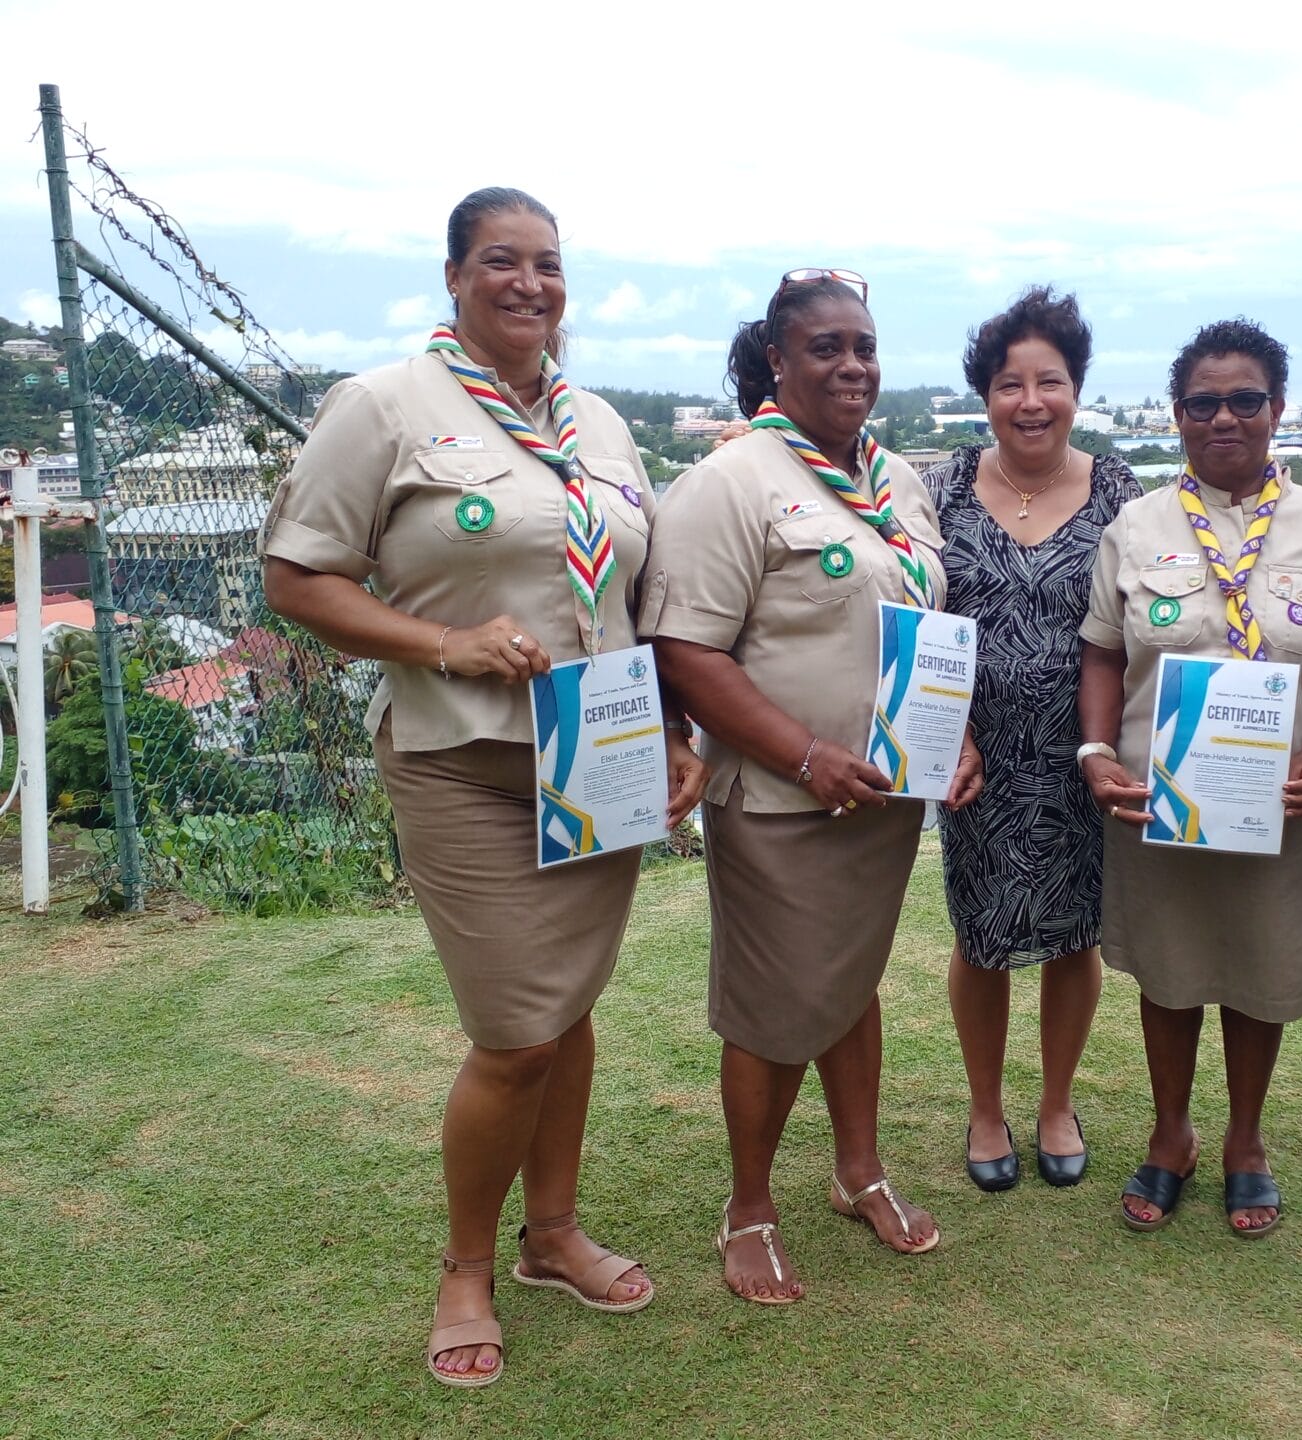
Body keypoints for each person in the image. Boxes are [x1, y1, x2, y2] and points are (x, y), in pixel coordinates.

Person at [261, 188, 706, 1385]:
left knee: (569, 1010)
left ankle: (552, 1234)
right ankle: (468, 1262)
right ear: (453, 276)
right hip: (462, 758)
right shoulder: (387, 407)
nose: (529, 283)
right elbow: (299, 578)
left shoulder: (600, 424)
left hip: (598, 755)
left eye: (549, 264)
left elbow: (628, 599)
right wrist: (442, 644)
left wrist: (672, 729)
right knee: (516, 1031)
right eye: (501, 261)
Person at [643, 269, 983, 1304]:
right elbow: (686, 649)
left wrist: (950, 737)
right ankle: (749, 1207)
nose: (852, 364)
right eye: (826, 347)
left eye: (865, 347)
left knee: (847, 982)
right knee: (772, 1008)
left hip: (878, 802)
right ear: (777, 361)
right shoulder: (734, 482)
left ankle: (857, 1171)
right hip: (784, 801)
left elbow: (921, 633)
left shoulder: (894, 481)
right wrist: (803, 754)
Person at [1077, 319, 1302, 1236]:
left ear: (1277, 410)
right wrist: (1095, 754)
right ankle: (1170, 1134)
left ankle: (1245, 1139)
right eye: (1203, 402)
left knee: (1264, 963)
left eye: (1244, 399)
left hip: (1287, 804)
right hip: (1157, 799)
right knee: (1169, 971)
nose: (1224, 418)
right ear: (1177, 416)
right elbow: (1099, 652)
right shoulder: (1135, 527)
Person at [923, 287, 1141, 1192]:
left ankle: (1056, 1099)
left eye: (1049, 380)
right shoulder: (938, 488)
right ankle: (984, 1105)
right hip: (974, 755)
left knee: (1072, 935)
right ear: (986, 395)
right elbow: (910, 608)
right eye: (1010, 383)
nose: (1031, 400)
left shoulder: (1122, 490)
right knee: (981, 937)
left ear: (1076, 389)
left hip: (1083, 754)